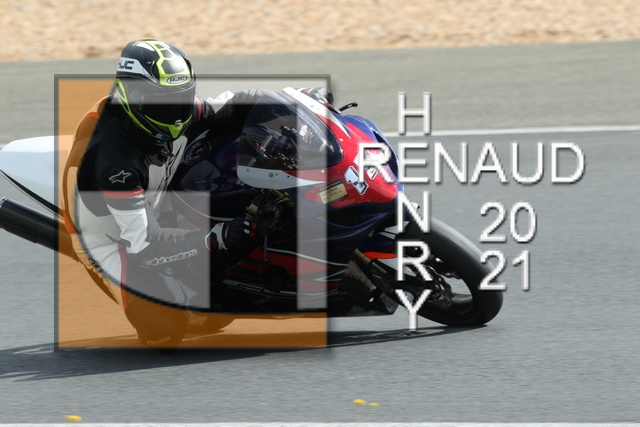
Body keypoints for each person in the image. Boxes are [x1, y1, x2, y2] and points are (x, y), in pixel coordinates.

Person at [63, 39, 260, 347]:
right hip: (114, 238)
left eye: (182, 100)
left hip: (156, 195)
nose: (178, 116)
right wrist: (217, 237)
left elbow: (234, 104)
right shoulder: (115, 162)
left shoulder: (167, 109)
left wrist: (298, 100)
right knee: (164, 331)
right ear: (133, 98)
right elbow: (144, 244)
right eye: (166, 105)